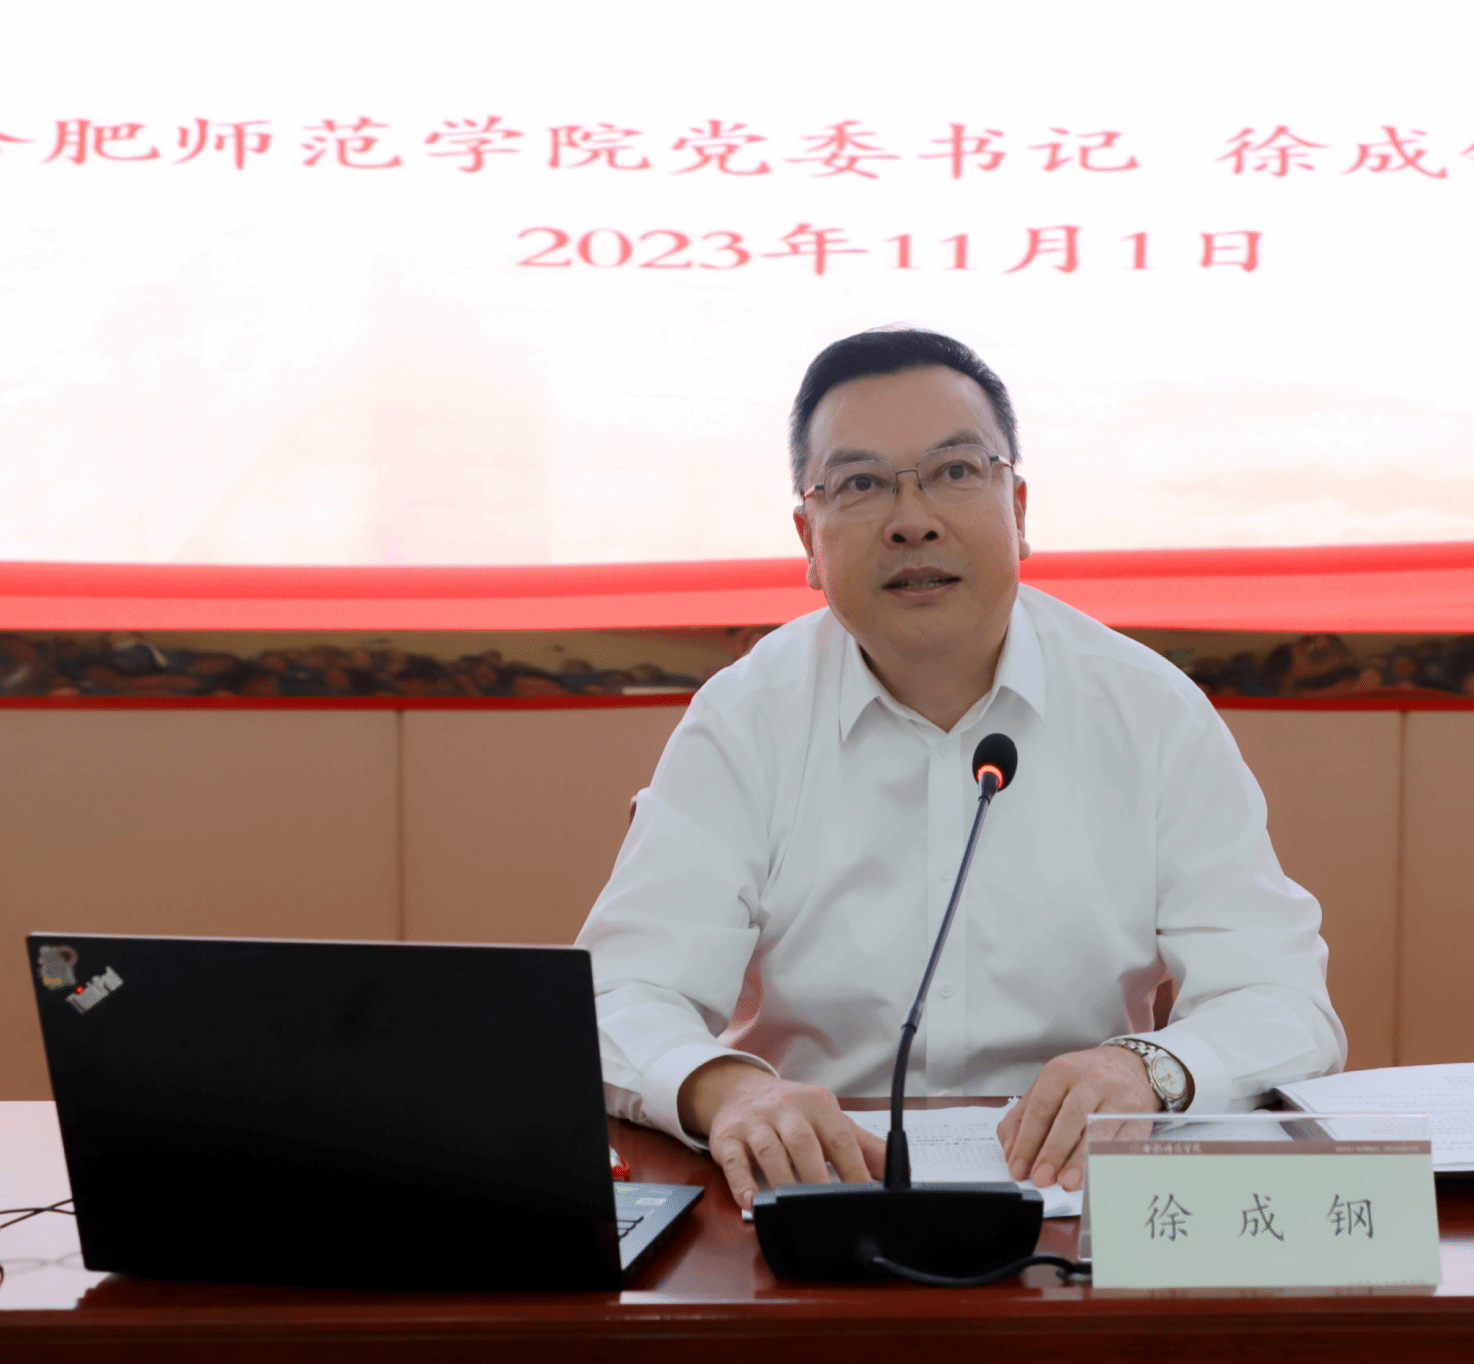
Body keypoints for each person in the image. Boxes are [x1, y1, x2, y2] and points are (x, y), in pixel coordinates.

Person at [576, 329, 1344, 1210]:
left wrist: (1149, 1069)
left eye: (953, 471)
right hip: (815, 1198)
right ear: (808, 539)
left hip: (1078, 1198)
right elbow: (617, 995)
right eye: (861, 484)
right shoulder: (745, 718)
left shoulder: (1148, 710)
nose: (913, 520)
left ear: (1018, 507)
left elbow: (1283, 1000)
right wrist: (731, 1091)